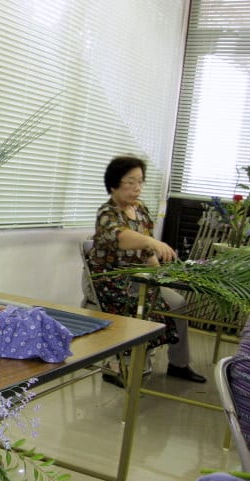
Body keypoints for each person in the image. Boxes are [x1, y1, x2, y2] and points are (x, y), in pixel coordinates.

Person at [88, 155, 206, 384]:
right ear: (113, 183)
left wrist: (160, 276)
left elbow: (147, 251)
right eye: (130, 181)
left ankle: (179, 363)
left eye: (140, 182)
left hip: (141, 277)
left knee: (177, 303)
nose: (136, 188)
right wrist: (151, 242)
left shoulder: (140, 210)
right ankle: (116, 366)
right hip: (110, 280)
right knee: (144, 304)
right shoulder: (107, 213)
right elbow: (121, 237)